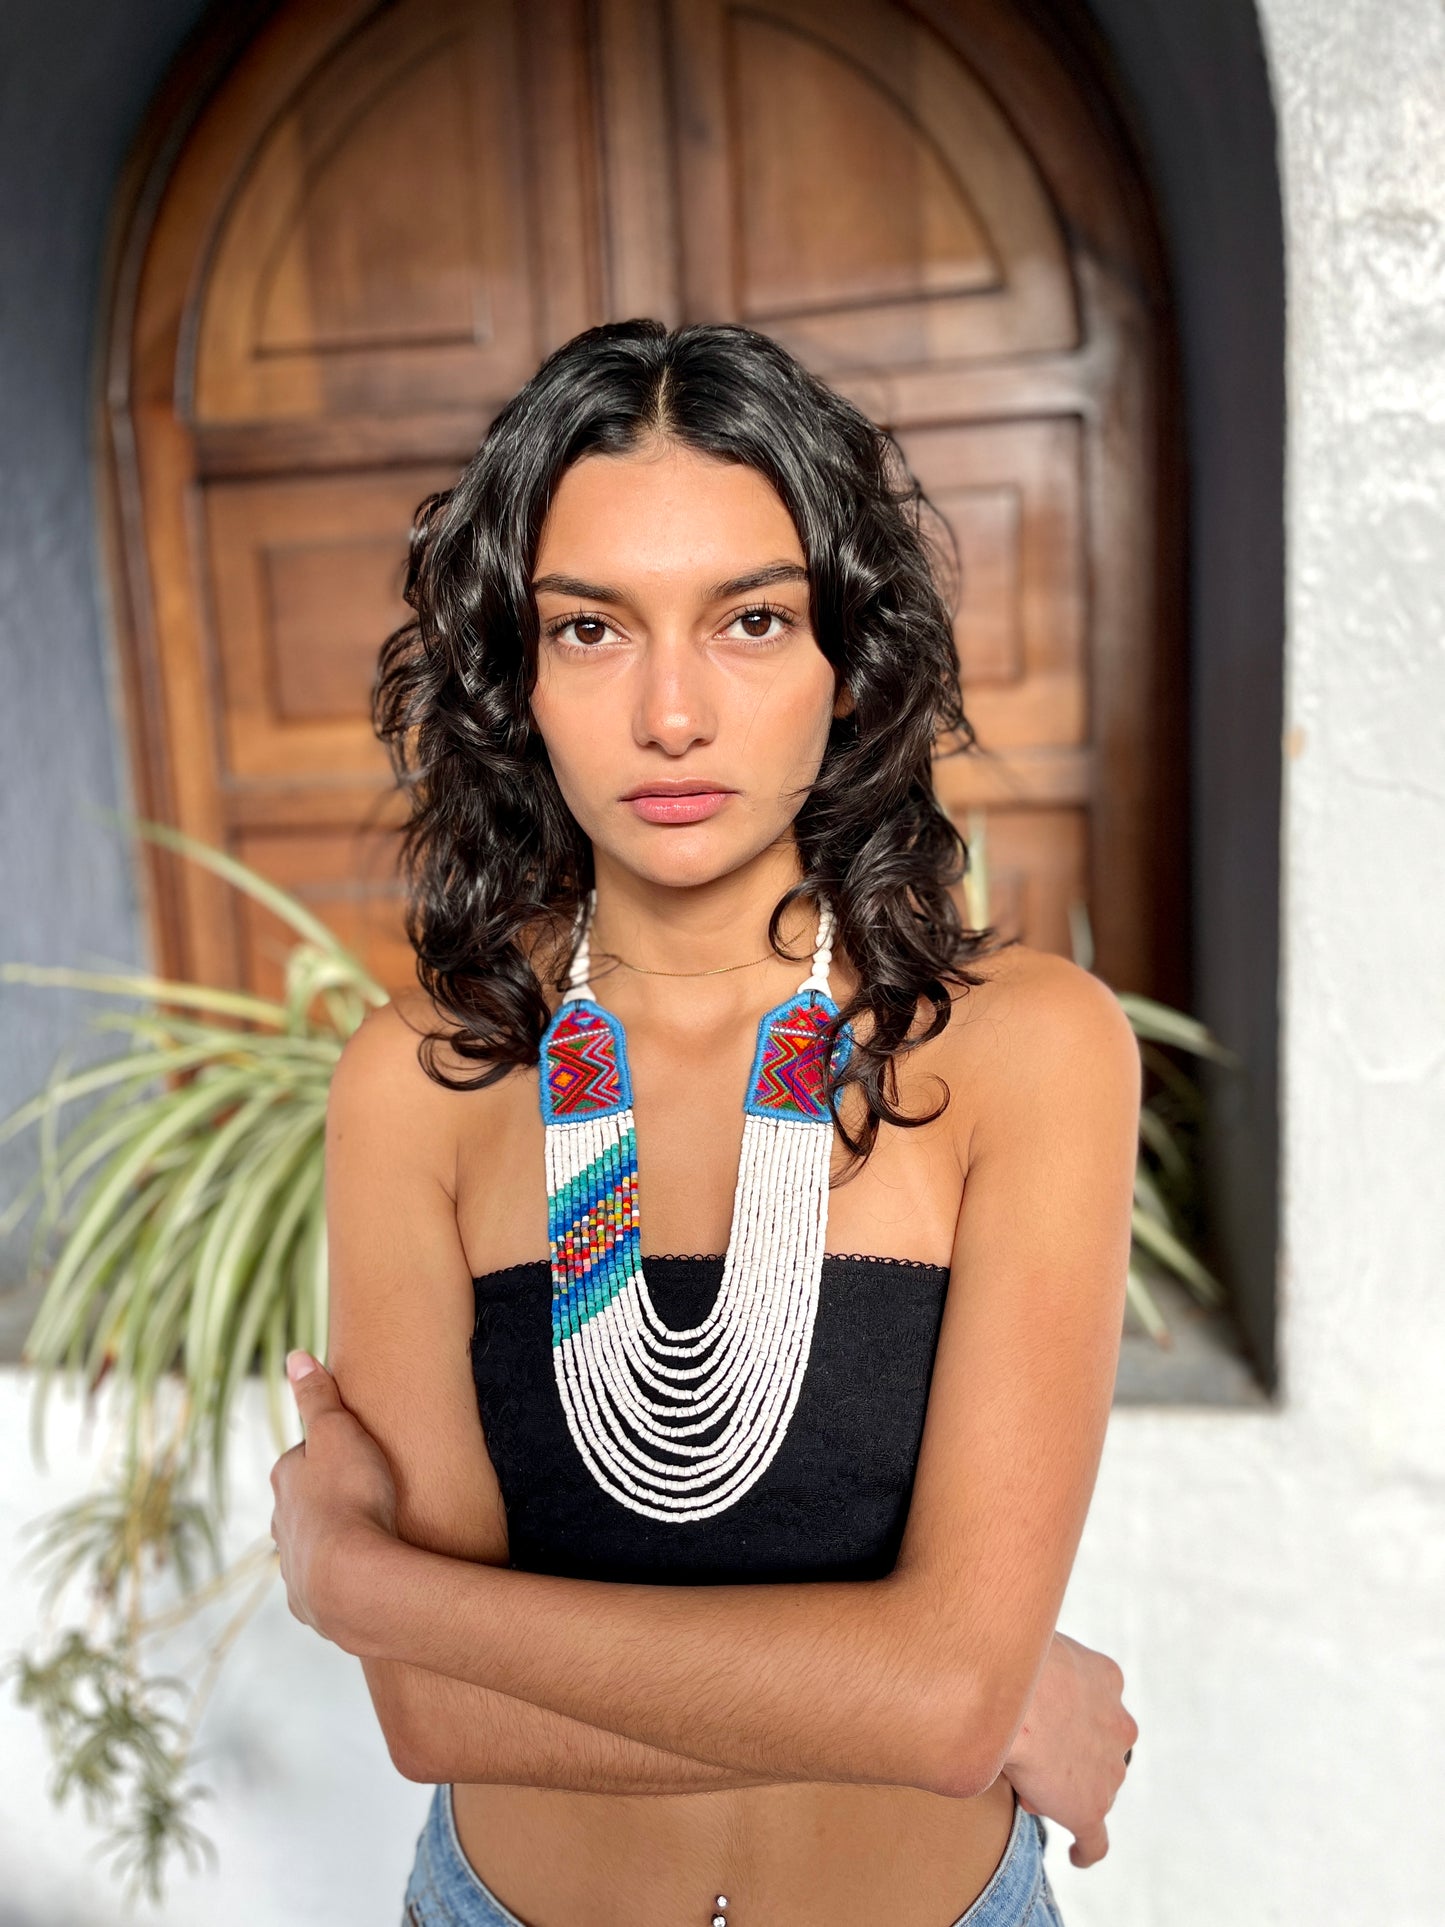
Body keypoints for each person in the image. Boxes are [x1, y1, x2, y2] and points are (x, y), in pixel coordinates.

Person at [268, 319, 1140, 1927]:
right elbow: (433, 1719)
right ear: (513, 678)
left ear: (850, 657)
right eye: (591, 630)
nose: (671, 712)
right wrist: (922, 1694)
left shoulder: (1031, 1053)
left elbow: (945, 1705)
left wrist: (367, 1585)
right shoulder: (422, 1082)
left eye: (748, 619)